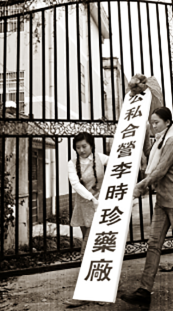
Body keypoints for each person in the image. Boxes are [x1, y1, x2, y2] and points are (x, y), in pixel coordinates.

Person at [120, 106, 173, 308]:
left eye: (156, 122)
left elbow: (160, 170)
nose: (153, 126)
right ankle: (144, 291)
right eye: (151, 123)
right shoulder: (160, 142)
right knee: (153, 244)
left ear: (168, 122)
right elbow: (151, 161)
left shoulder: (172, 142)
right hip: (163, 201)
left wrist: (140, 186)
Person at [63, 132, 109, 308]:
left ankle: (92, 290)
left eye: (84, 146)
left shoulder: (102, 158)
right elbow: (75, 184)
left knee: (93, 248)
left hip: (101, 207)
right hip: (85, 206)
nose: (81, 150)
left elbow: (119, 166)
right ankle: (96, 289)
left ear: (91, 145)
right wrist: (92, 198)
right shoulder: (72, 163)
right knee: (90, 245)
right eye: (78, 147)